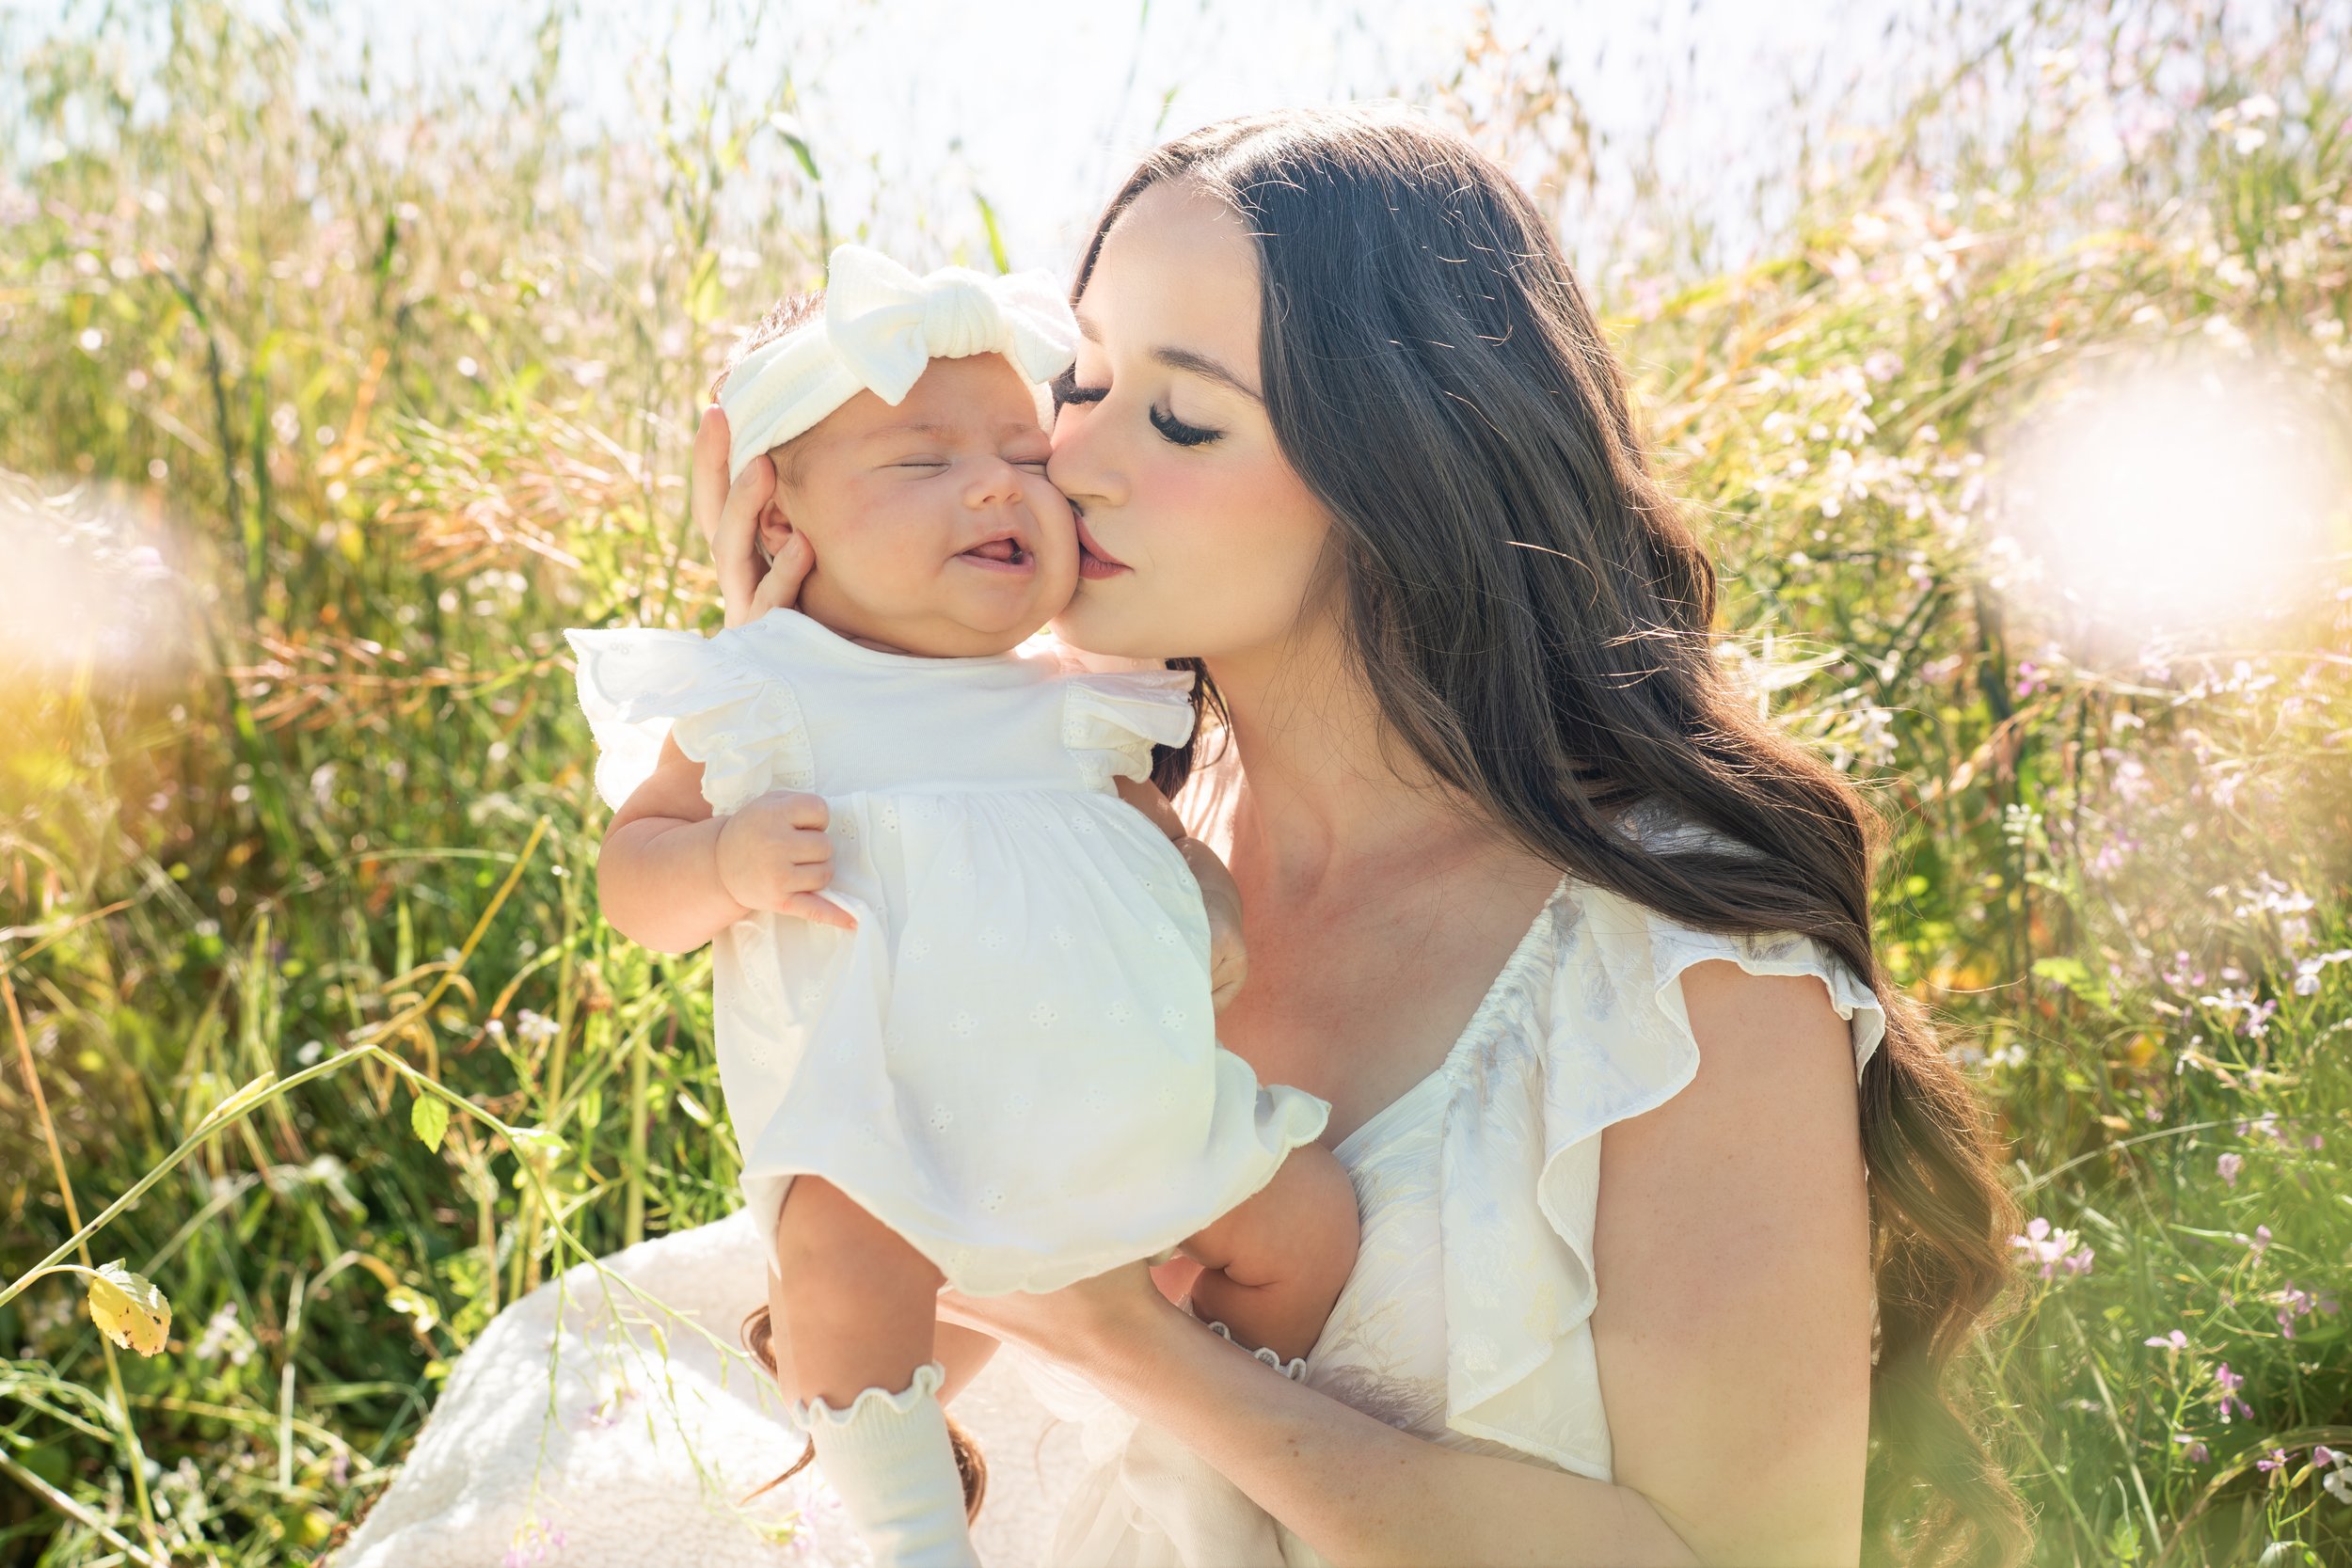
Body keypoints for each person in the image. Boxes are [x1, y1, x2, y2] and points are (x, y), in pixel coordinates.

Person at [691, 104, 2023, 1567]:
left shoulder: (1683, 973)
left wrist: (1136, 1342)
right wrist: (811, 679)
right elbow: (898, 1315)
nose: (1073, 463)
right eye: (1080, 382)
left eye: (1184, 416)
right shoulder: (1094, 840)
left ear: (1405, 471)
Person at [570, 244, 1355, 1568]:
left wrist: (1200, 899)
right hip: (894, 1120)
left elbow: (1140, 829)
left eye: (1026, 455)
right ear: (780, 527)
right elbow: (631, 877)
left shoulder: (1076, 694)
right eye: (921, 461)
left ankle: (1201, 1438)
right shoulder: (772, 698)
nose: (999, 482)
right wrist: (718, 866)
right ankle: (910, 1529)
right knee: (840, 1255)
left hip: (1115, 1110)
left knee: (1307, 1222)